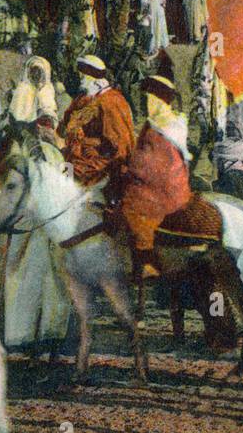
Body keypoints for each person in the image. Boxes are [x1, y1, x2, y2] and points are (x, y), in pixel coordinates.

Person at [118, 61, 192, 281]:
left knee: (132, 206)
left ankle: (146, 260)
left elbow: (162, 166)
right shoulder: (154, 124)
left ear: (160, 100)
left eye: (149, 98)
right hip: (151, 181)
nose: (145, 103)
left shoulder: (169, 128)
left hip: (167, 188)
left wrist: (133, 168)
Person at [59, 54, 136, 190]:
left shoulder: (111, 102)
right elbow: (68, 122)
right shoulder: (87, 97)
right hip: (77, 151)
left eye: (83, 76)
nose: (80, 80)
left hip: (102, 159)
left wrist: (92, 148)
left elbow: (120, 145)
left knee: (67, 179)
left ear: (93, 78)